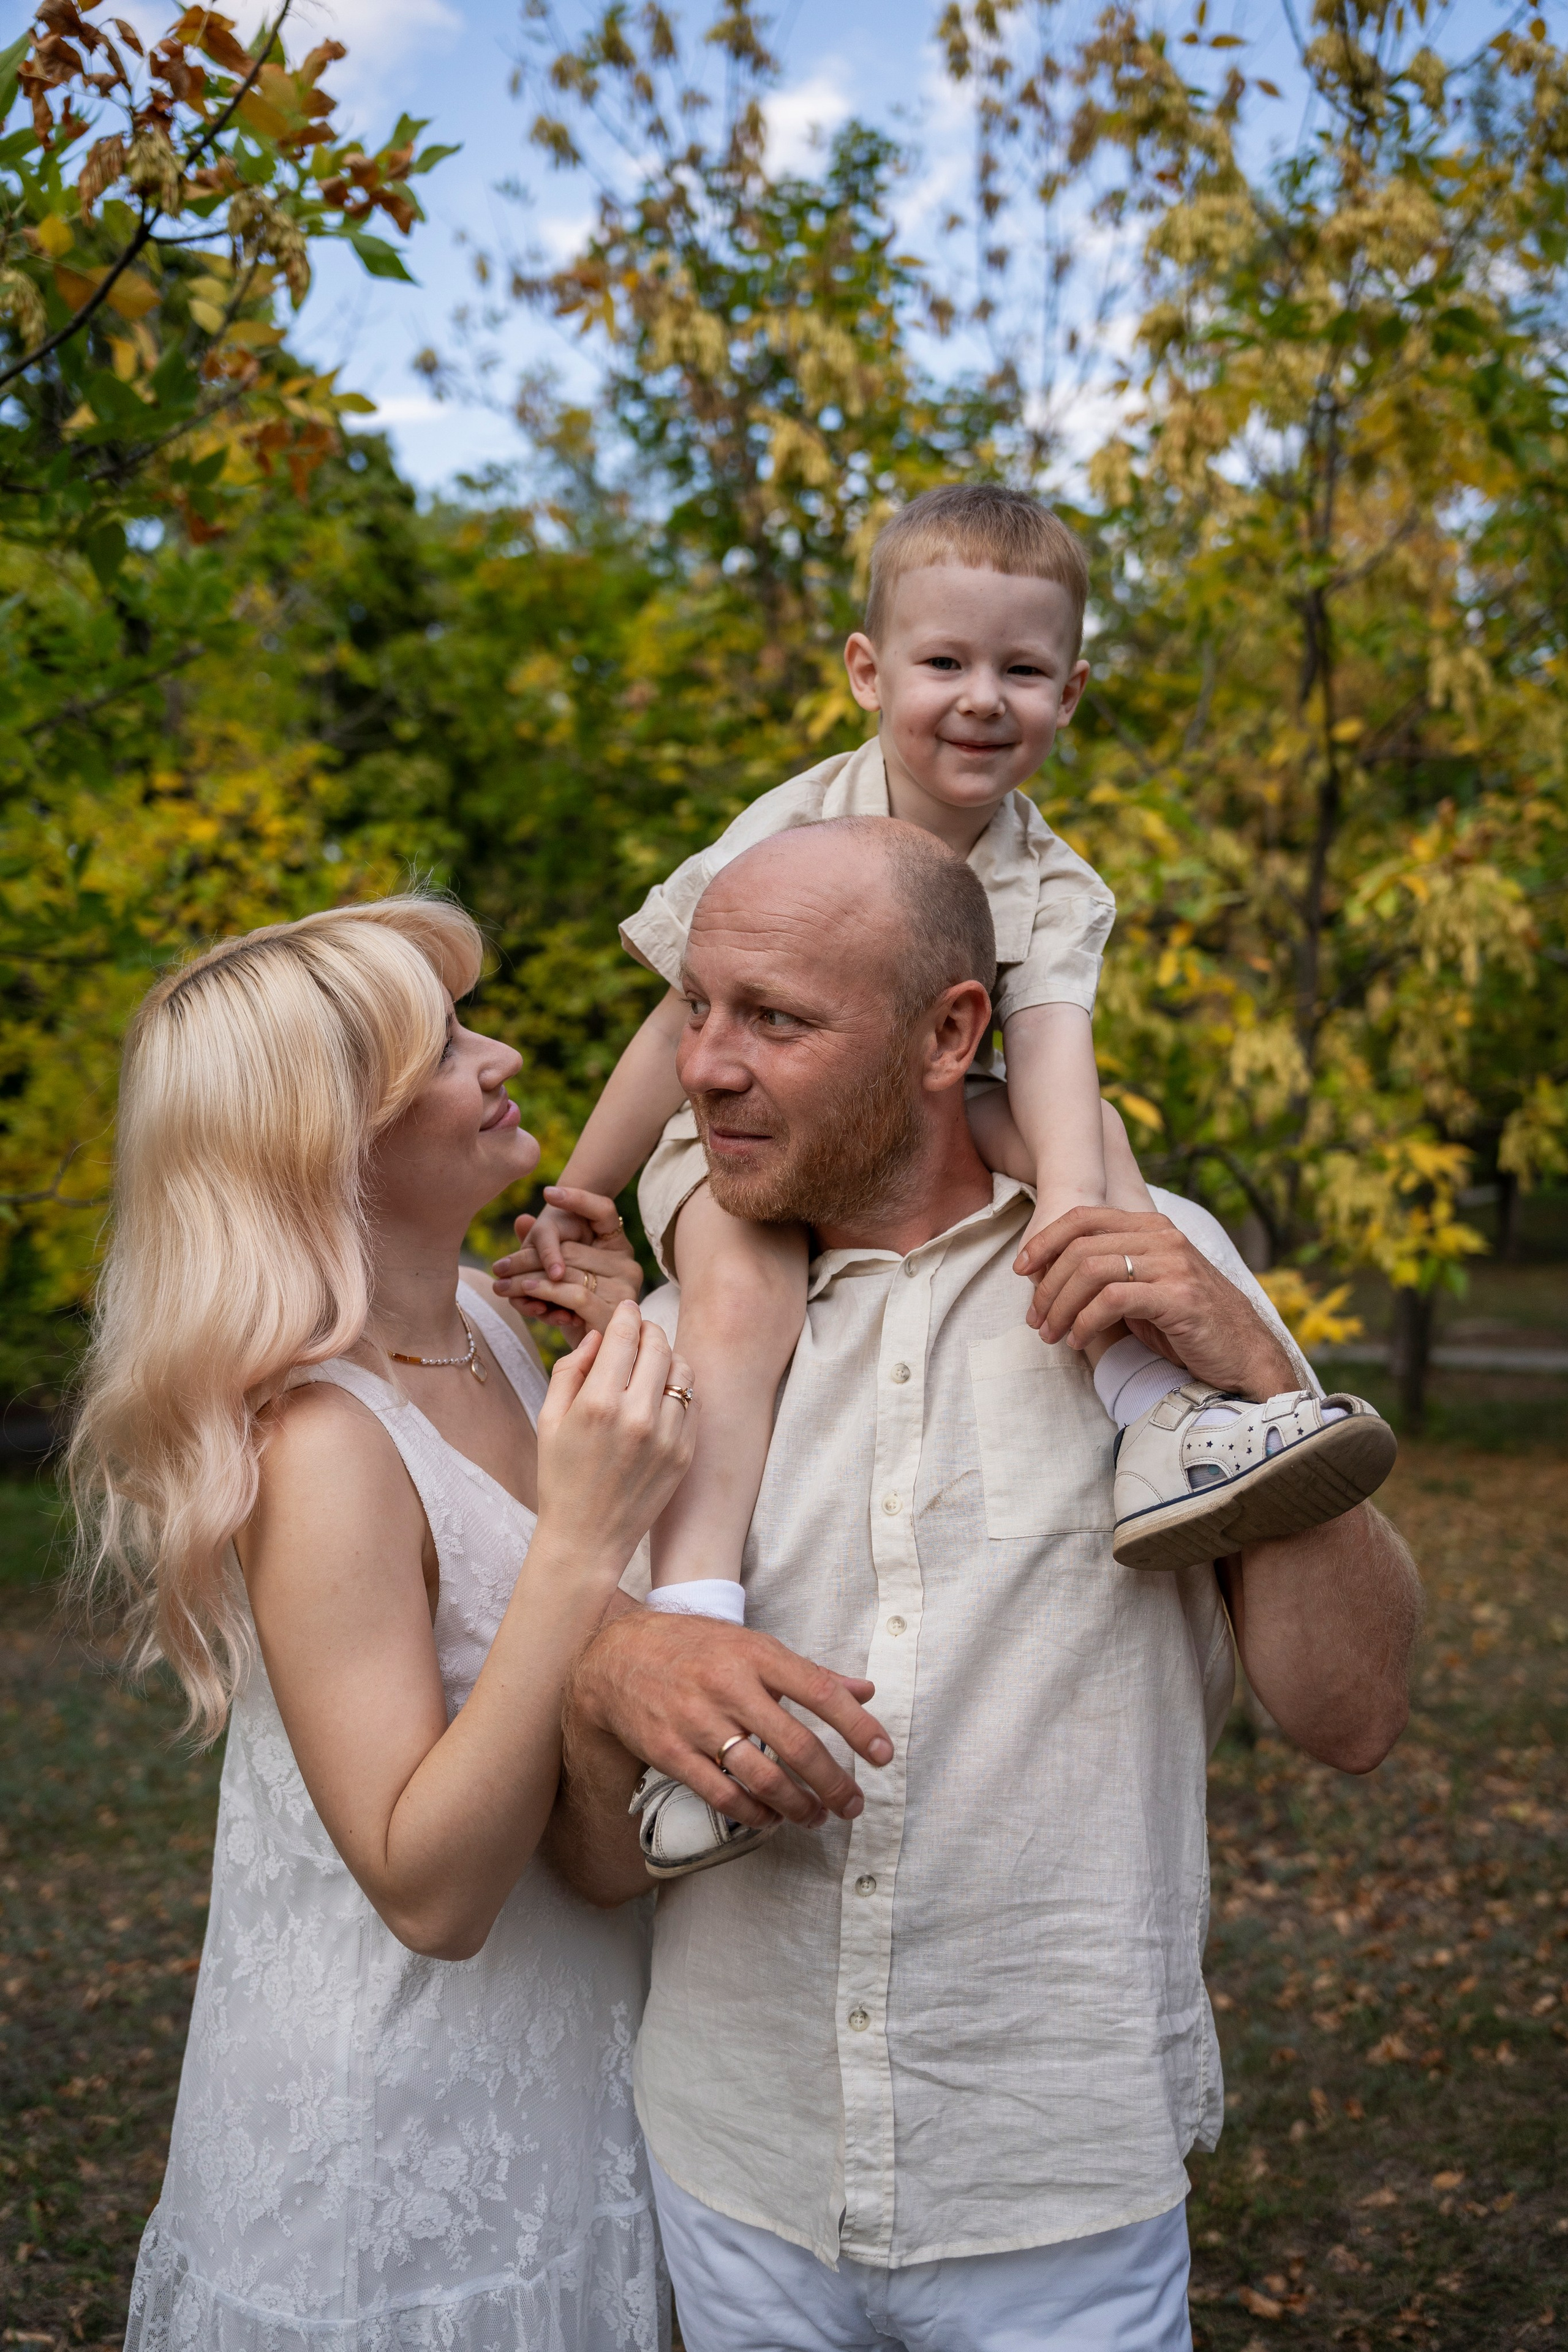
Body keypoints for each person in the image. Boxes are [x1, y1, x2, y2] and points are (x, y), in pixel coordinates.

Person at [542, 820, 1423, 2352]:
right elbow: (595, 1860)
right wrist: (611, 1665)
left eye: (775, 1019)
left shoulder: (1161, 1280)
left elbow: (1348, 1715)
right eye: (697, 1007)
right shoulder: (672, 1344)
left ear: (954, 1032)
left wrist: (1256, 1370)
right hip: (733, 2160)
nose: (699, 1067)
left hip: (1054, 2189)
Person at [496, 482, 1395, 1875]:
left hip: (960, 1107)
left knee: (1107, 1185)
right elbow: (680, 1025)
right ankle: (704, 1620)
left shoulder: (1051, 885)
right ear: (867, 672)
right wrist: (583, 1190)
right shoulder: (789, 835)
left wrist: (1092, 1214)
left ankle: (1161, 1416)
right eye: (944, 664)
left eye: (1020, 671)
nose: (981, 701)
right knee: (737, 1297)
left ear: (1069, 691)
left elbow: (1047, 1057)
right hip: (727, 1173)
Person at [67, 895, 723, 2352]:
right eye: (440, 1048)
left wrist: (624, 1355)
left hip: (574, 2077)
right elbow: (426, 1894)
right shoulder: (319, 1445)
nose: (497, 1054)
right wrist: (580, 1535)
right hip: (401, 2149)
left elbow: (606, 1671)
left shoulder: (495, 1324)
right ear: (326, 1139)